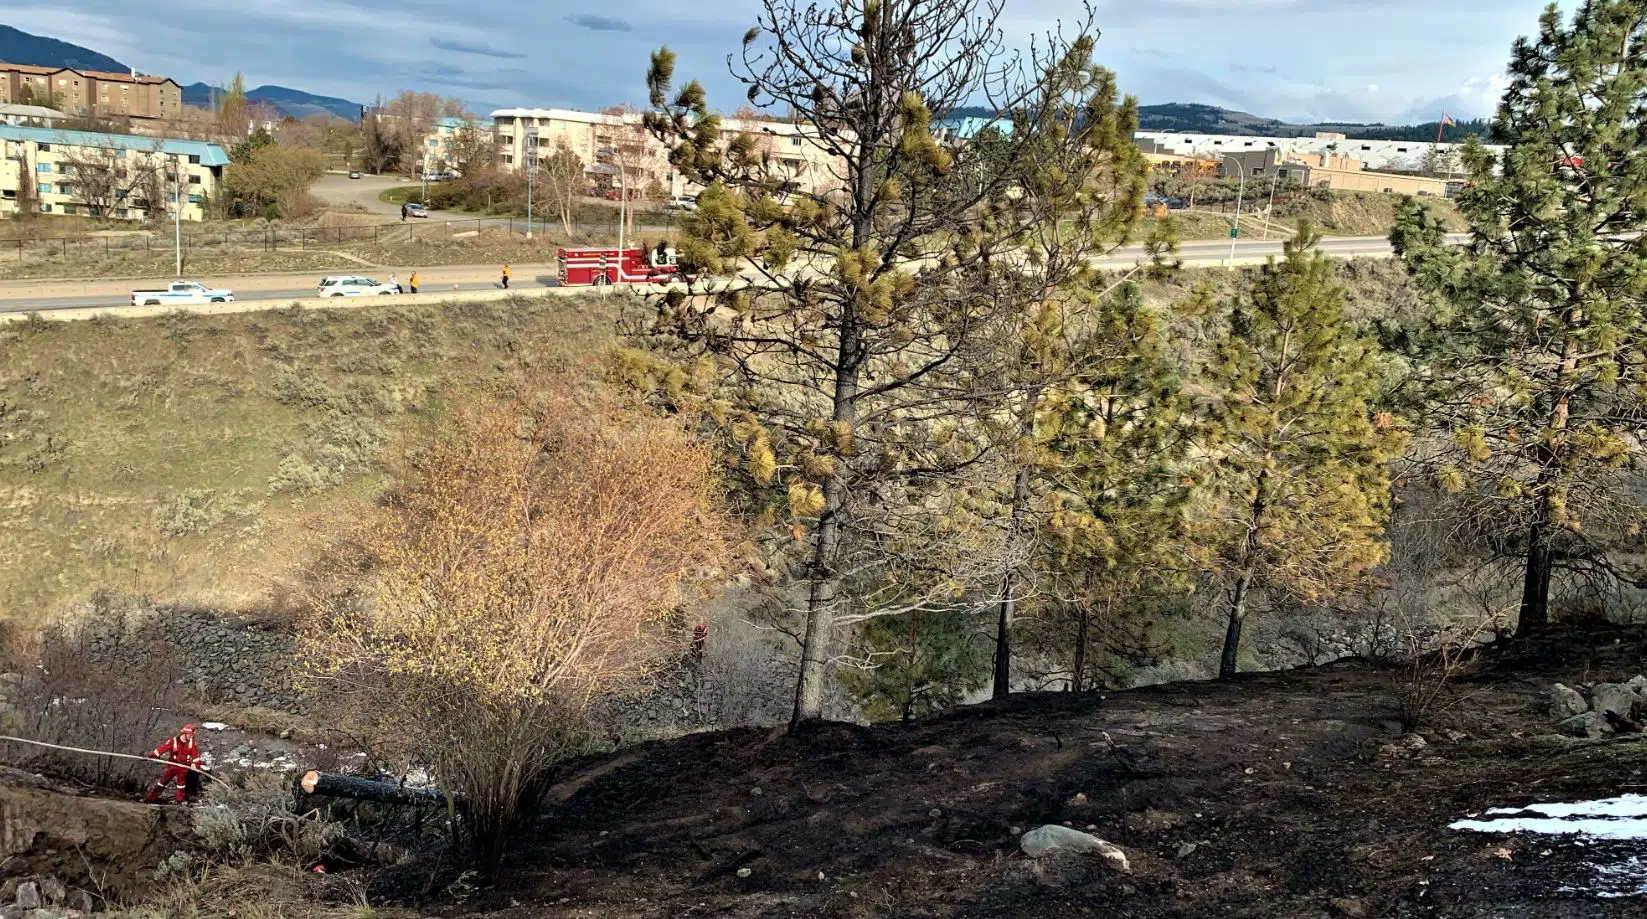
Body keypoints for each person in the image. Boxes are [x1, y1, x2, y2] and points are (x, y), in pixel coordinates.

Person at [144, 723, 203, 804]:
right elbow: (162, 749)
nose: (191, 736)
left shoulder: (192, 743)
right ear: (185, 733)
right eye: (190, 735)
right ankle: (149, 799)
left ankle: (179, 801)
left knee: (181, 786)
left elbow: (195, 757)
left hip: (183, 768)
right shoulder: (173, 741)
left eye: (192, 735)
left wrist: (196, 766)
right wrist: (151, 755)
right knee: (162, 783)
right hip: (172, 766)